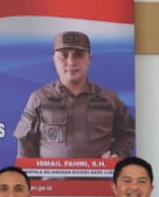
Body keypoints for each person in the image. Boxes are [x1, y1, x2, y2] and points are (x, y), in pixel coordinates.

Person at [12, 32, 135, 160]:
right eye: (64, 55)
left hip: (98, 173)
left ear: (89, 59)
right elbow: (25, 142)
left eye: (79, 55)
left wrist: (117, 154)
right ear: (54, 60)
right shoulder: (39, 99)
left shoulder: (109, 99)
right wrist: (30, 172)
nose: (71, 62)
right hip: (51, 174)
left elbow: (128, 133)